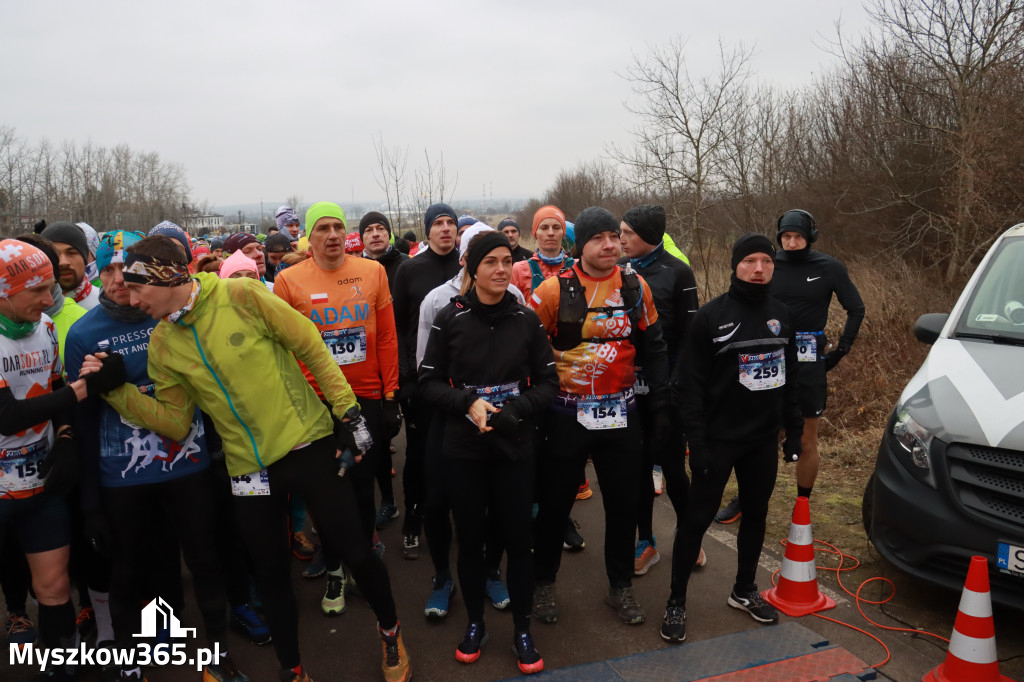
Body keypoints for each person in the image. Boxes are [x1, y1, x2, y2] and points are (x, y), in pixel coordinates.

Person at [81, 235, 411, 682]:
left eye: (137, 287)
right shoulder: (162, 342)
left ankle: (390, 630)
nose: (131, 298)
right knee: (271, 573)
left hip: (306, 443)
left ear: (164, 277)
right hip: (247, 467)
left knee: (355, 549)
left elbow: (310, 343)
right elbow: (176, 422)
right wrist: (116, 393)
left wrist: (347, 411)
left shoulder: (241, 294)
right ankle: (292, 669)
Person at [64, 230, 251, 682]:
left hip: (187, 464)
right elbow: (84, 424)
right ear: (96, 270)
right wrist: (89, 502)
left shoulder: (172, 316)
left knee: (203, 559)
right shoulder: (83, 333)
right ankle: (133, 663)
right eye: (107, 269)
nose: (117, 279)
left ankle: (217, 658)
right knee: (127, 568)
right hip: (122, 474)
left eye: (126, 270)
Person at [419, 231, 556, 674]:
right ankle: (475, 623)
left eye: (507, 260)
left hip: (515, 447)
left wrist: (519, 408)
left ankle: (521, 628)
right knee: (472, 543)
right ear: (472, 269)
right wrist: (467, 402)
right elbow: (428, 383)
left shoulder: (527, 319)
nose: (501, 269)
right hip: (465, 449)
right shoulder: (448, 318)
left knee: (518, 540)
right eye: (491, 262)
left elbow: (550, 383)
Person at [530, 207, 669, 626]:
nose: (610, 245)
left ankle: (620, 586)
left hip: (620, 413)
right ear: (581, 245)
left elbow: (655, 344)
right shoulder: (553, 291)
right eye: (599, 238)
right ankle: (543, 584)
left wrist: (660, 404)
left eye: (614, 236)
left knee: (624, 505)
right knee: (554, 506)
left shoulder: (634, 285)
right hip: (566, 414)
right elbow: (529, 352)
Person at [663, 233, 803, 643]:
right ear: (735, 265)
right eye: (750, 261)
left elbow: (790, 379)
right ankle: (675, 601)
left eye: (766, 261)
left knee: (756, 515)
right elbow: (687, 387)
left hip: (762, 440)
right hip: (718, 440)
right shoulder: (710, 317)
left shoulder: (782, 314)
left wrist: (793, 431)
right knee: (696, 521)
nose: (758, 269)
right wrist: (698, 444)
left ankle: (743, 590)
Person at [0, 239, 125, 680]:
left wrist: (68, 437)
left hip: (40, 482)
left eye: (51, 287)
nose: (47, 299)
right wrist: (84, 387)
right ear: (3, 292)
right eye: (36, 290)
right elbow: (7, 417)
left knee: (53, 586)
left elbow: (56, 399)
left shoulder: (47, 329)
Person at [274, 201, 401, 596]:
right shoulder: (289, 281)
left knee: (363, 487)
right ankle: (333, 567)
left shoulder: (372, 271)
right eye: (322, 228)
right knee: (326, 491)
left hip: (365, 397)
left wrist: (391, 394)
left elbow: (385, 337)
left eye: (337, 227)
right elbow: (282, 352)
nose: (331, 235)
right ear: (308, 237)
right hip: (316, 402)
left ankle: (363, 560)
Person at [714, 211, 864, 523]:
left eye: (797, 236)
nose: (792, 242)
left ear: (810, 236)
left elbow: (856, 308)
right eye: (786, 237)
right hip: (768, 354)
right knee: (756, 431)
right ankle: (744, 498)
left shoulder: (829, 267)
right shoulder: (767, 264)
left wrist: (841, 349)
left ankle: (801, 505)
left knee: (808, 438)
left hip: (809, 360)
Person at [618, 205, 704, 577]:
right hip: (626, 383)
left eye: (627, 233)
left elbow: (690, 337)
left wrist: (676, 389)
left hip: (667, 384)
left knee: (672, 467)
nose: (620, 239)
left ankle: (690, 537)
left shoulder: (677, 271)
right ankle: (645, 541)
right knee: (637, 469)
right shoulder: (619, 271)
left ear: (648, 234)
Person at [390, 203, 460, 569]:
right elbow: (398, 327)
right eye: (439, 224)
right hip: (421, 382)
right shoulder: (410, 269)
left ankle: (459, 516)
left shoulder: (469, 266)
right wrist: (406, 379)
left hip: (463, 381)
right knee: (419, 454)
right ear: (428, 230)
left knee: (462, 451)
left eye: (451, 223)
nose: (446, 229)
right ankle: (414, 515)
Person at [510, 206, 574, 300]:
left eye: (556, 227)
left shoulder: (577, 266)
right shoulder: (519, 270)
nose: (551, 233)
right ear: (535, 233)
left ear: (563, 233)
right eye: (544, 228)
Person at [41, 222, 102, 310]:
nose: (63, 262)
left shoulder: (105, 305)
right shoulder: (32, 310)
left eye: (71, 253)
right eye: (54, 255)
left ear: (85, 259)